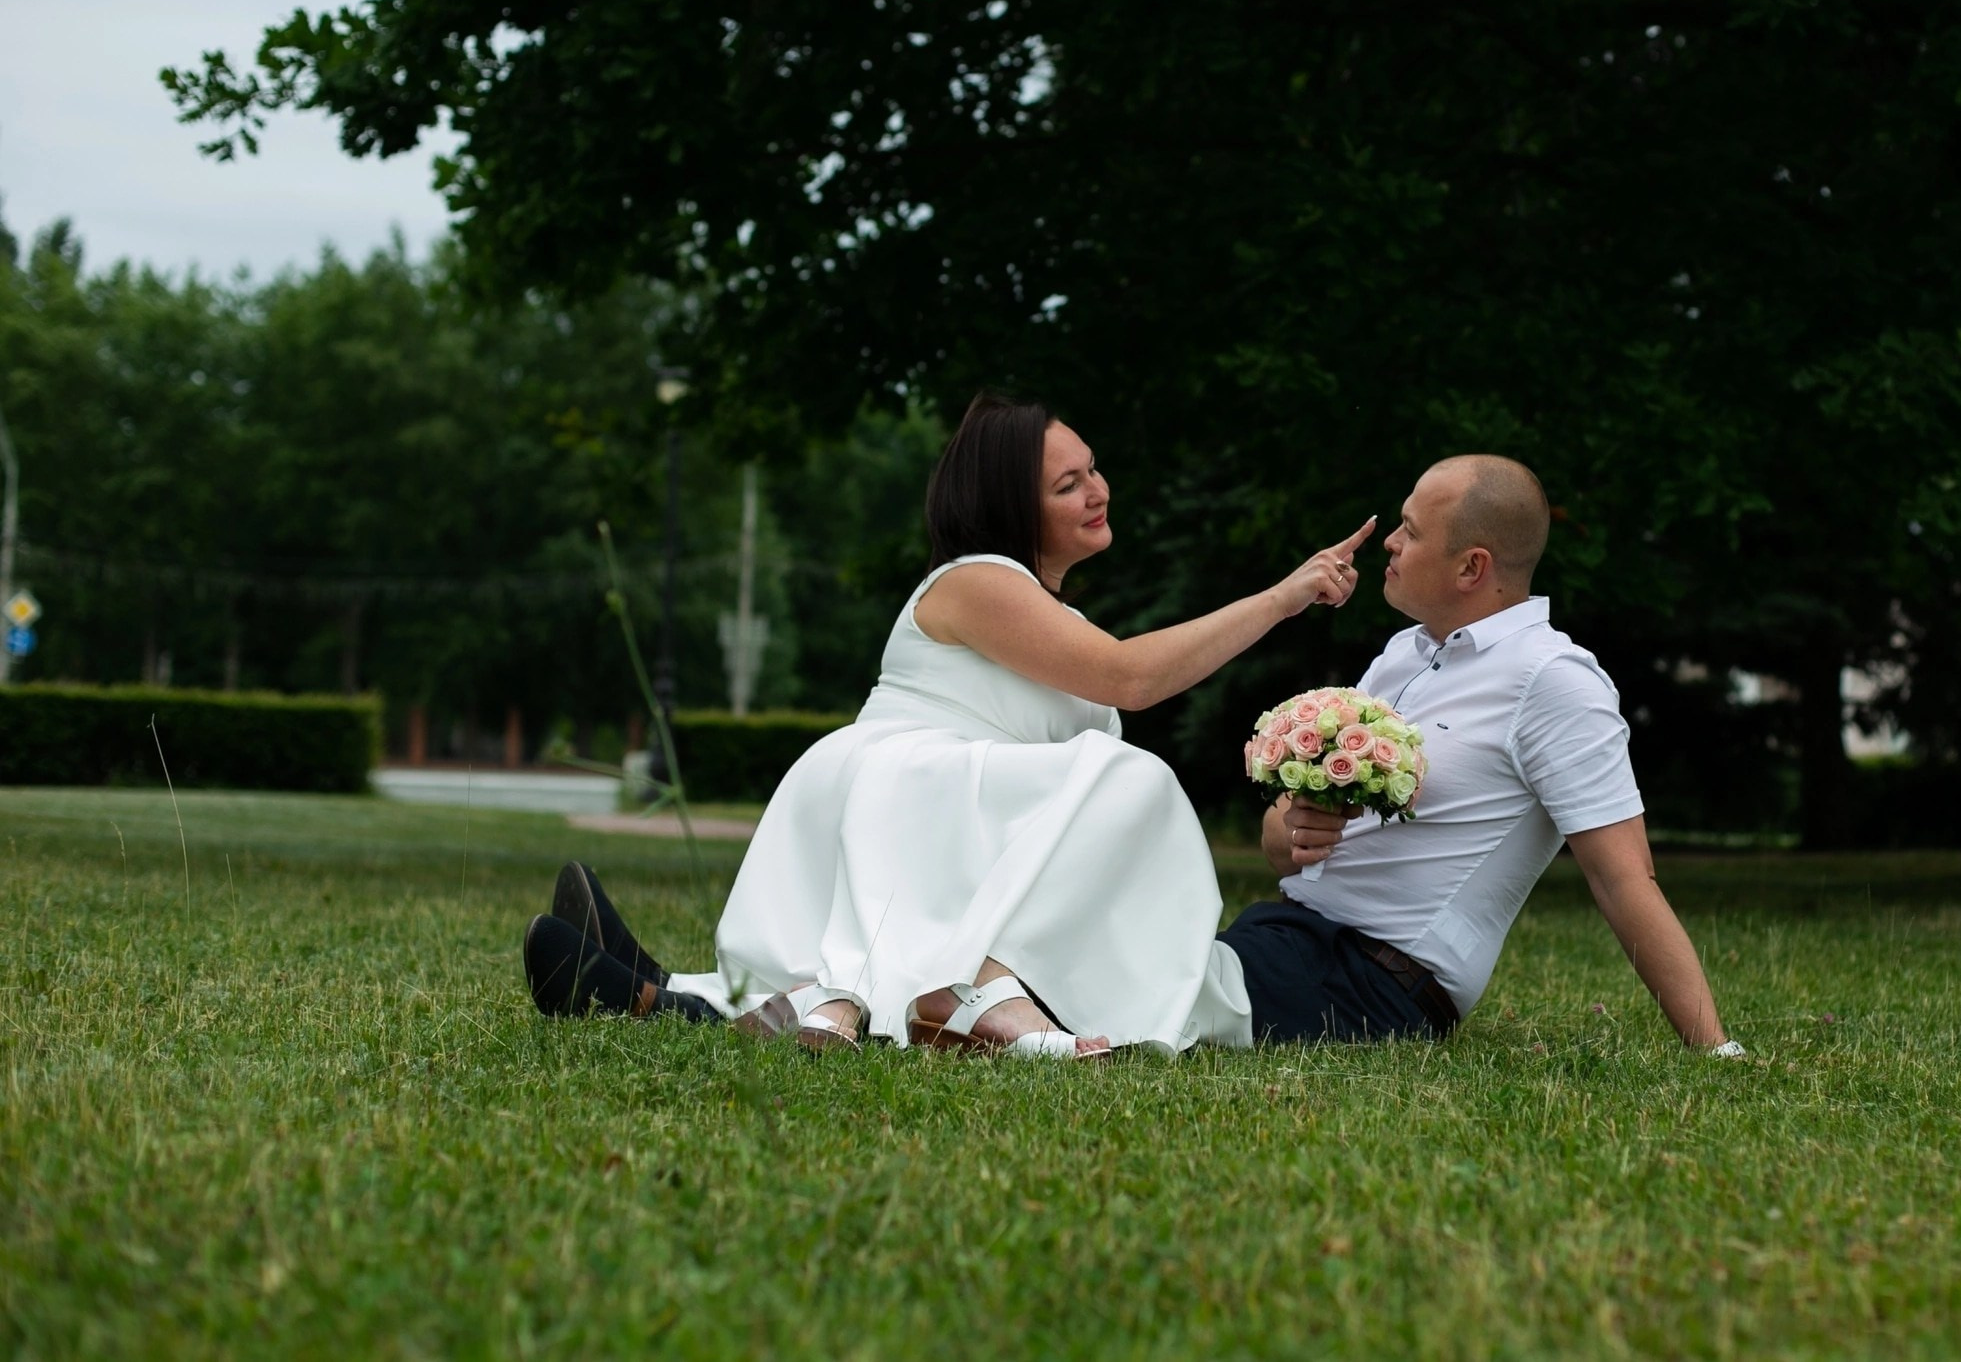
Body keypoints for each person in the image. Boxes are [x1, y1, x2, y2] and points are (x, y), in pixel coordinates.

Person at [522, 391, 1370, 1057]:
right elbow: (1132, 677)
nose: (1098, 490)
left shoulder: (1048, 613)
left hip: (941, 807)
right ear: (1011, 508)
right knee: (1134, 781)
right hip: (908, 794)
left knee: (1114, 785)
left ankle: (645, 988)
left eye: (1094, 469)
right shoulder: (977, 578)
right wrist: (1283, 596)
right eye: (1067, 484)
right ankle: (967, 990)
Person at [1219, 454, 1742, 1055]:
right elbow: (1283, 847)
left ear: (1472, 566)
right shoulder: (1404, 653)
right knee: (1150, 951)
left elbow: (1623, 878)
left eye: (1411, 530)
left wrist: (1714, 1049)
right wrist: (1296, 827)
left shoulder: (1553, 680)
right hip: (1288, 937)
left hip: (1373, 981)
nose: (1390, 541)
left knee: (1156, 973)